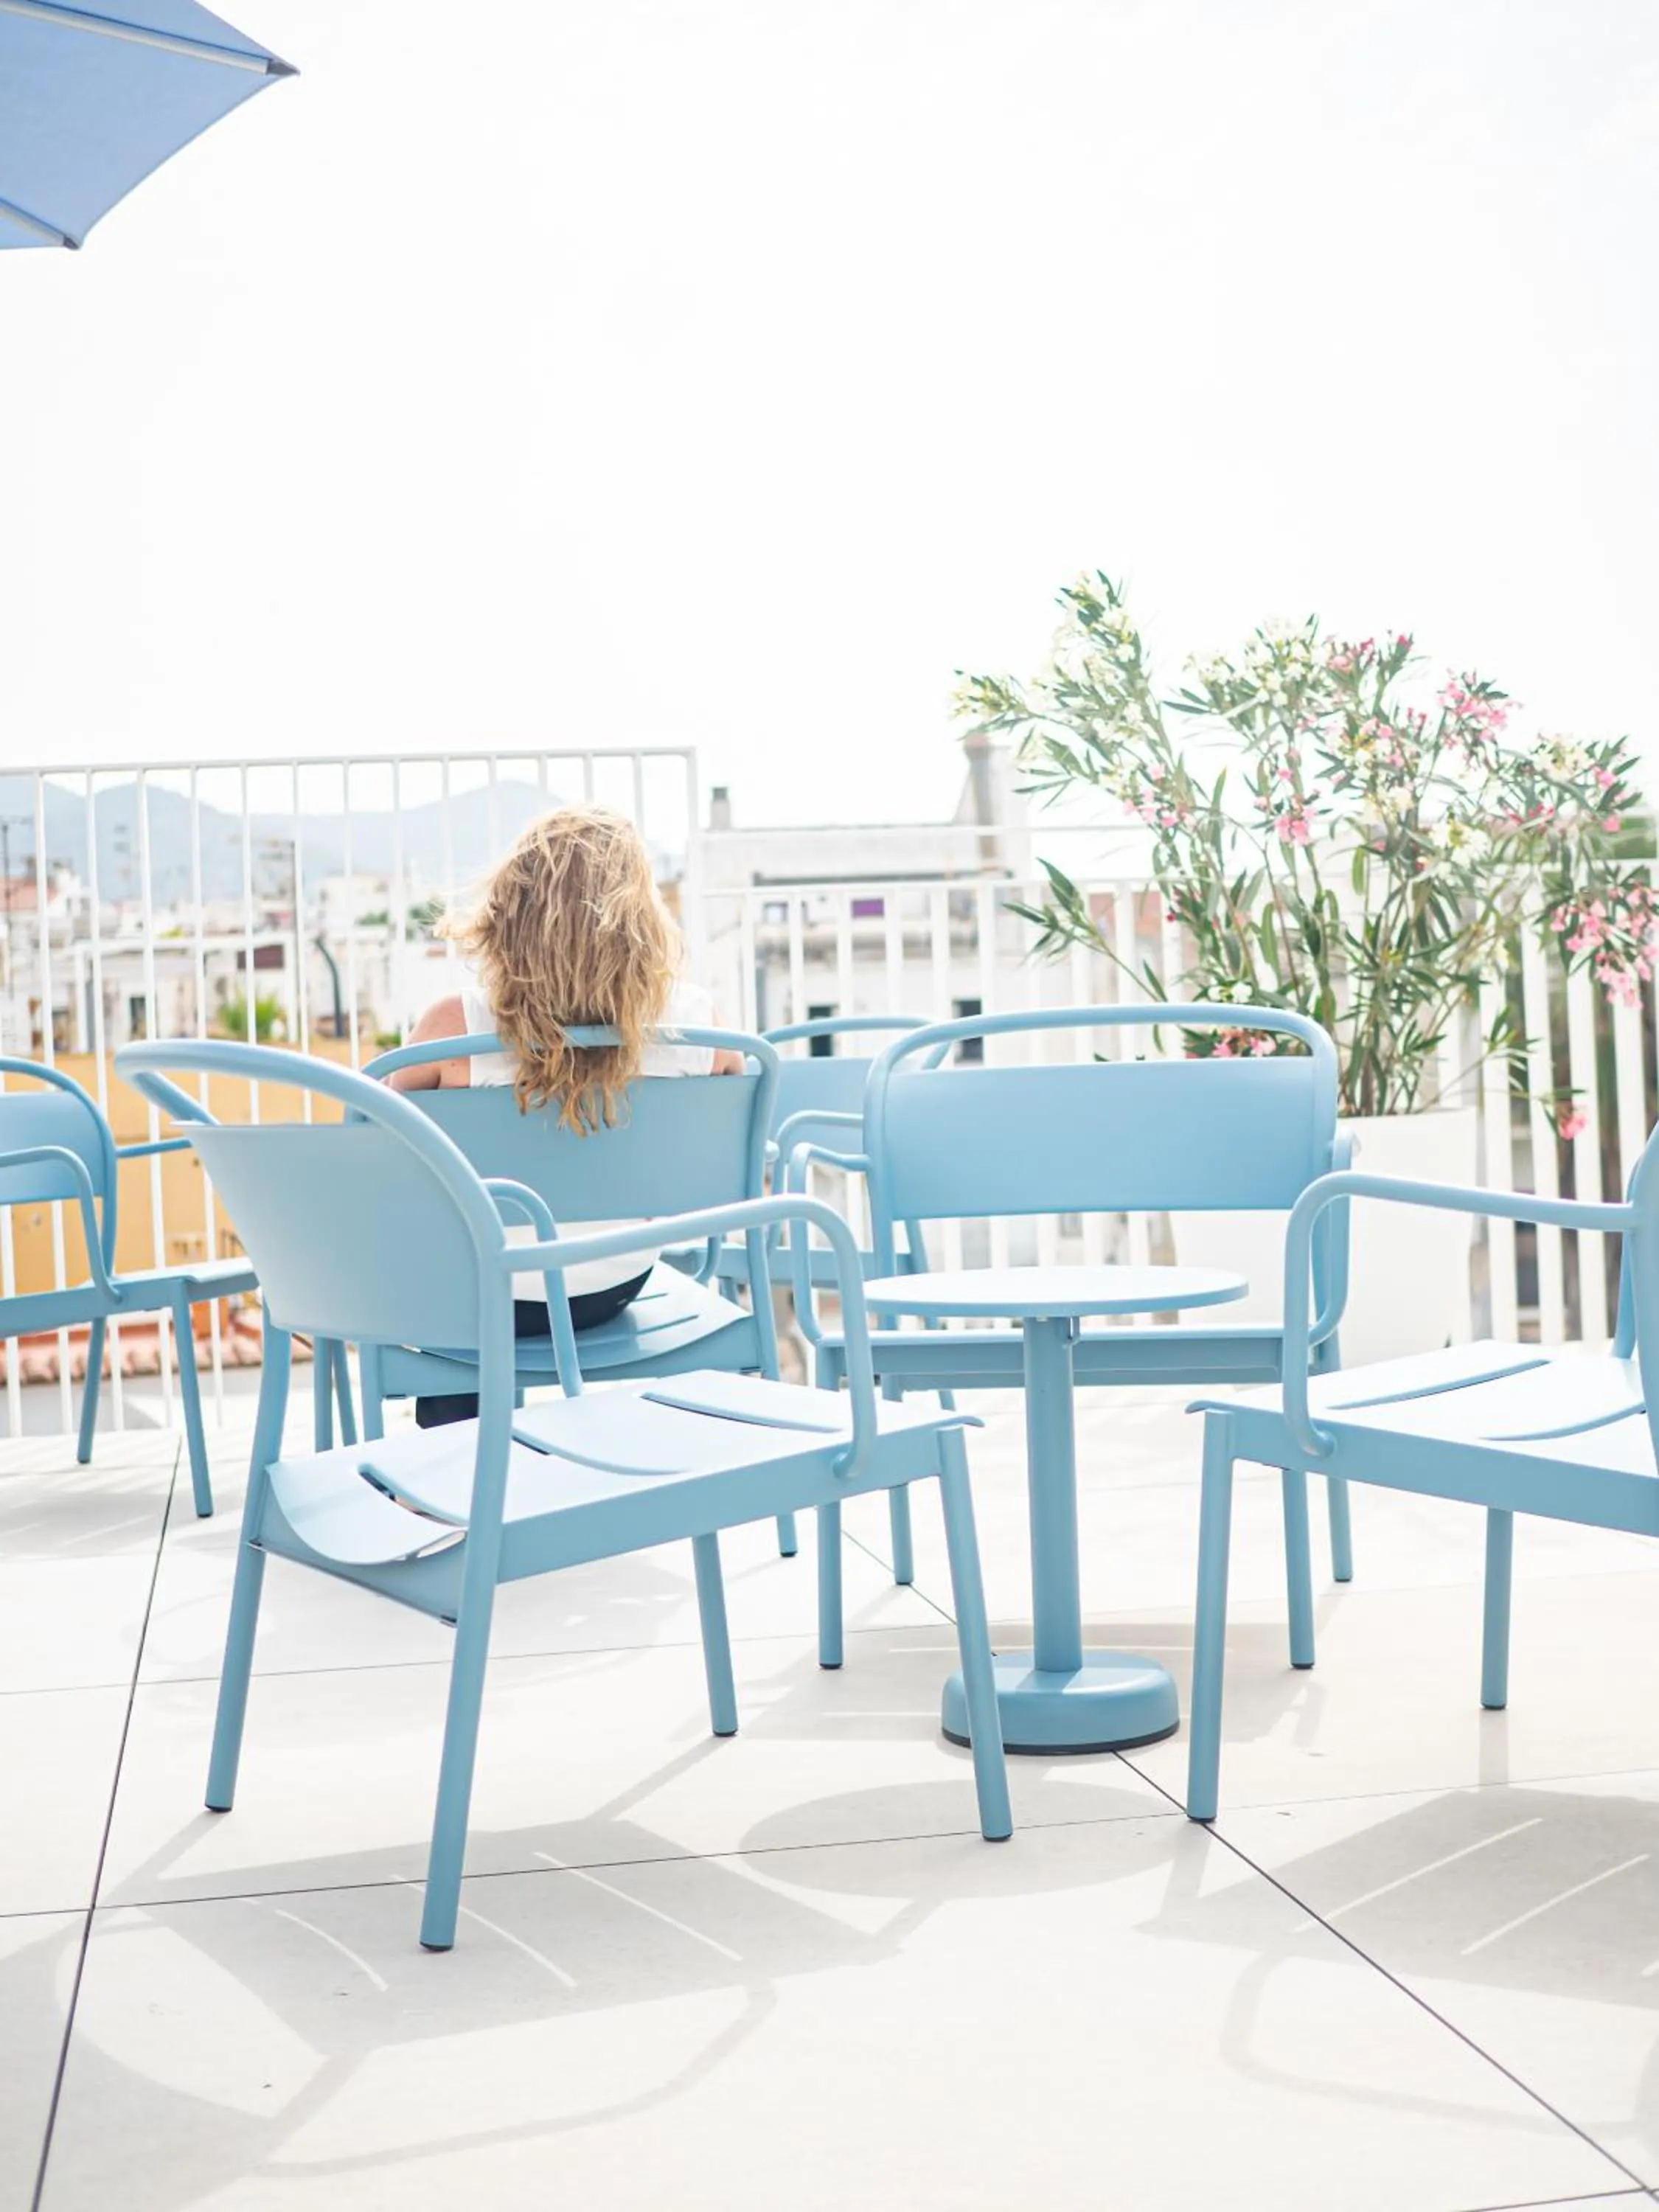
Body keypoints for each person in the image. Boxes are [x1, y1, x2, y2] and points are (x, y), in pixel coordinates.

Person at [387, 805, 741, 1425]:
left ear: (513, 909)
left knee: (470, 1286)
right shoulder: (694, 1023)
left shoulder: (454, 1029)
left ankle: (448, 1480)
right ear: (641, 917)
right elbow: (731, 1127)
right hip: (615, 1285)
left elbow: (381, 1149)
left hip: (488, 1298)